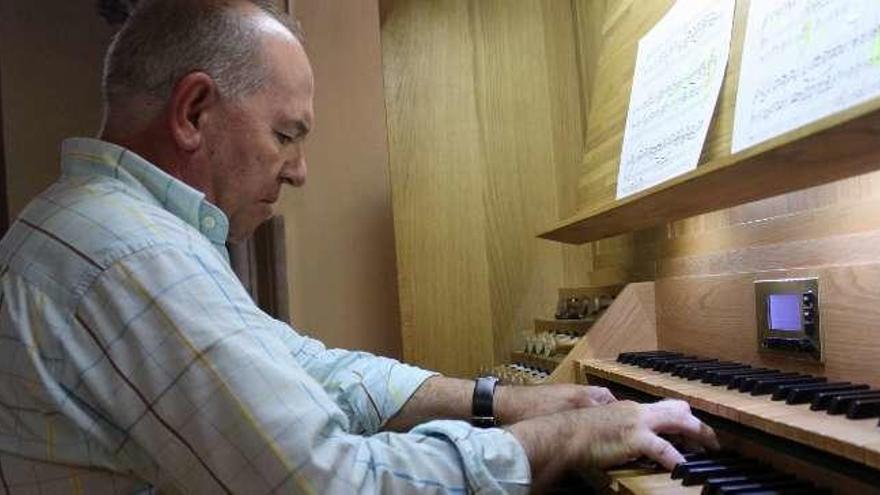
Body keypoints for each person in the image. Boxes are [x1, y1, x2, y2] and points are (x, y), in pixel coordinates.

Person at [0, 0, 718, 493]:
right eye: (287, 134)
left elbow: (311, 368)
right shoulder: (129, 254)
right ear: (193, 111)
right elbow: (340, 483)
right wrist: (564, 439)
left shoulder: (119, 229)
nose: (300, 169)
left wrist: (499, 400)